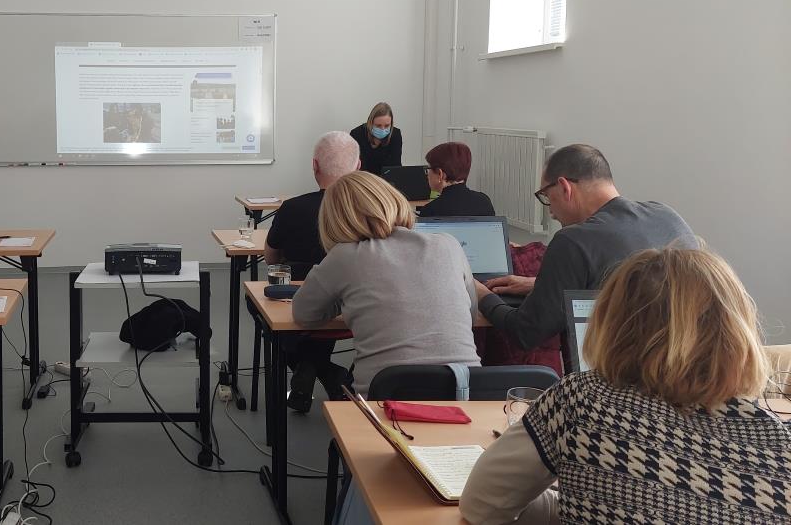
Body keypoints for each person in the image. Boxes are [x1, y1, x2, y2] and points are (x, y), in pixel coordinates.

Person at [460, 247, 791, 524]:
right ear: (738, 329)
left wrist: (581, 500)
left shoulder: (580, 400)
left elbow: (482, 505)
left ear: (611, 323)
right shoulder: (779, 445)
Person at [476, 144, 696, 352]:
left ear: (565, 187)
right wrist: (541, 286)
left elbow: (526, 333)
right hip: (690, 364)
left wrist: (483, 295)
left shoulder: (572, 240)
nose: (551, 212)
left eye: (547, 197)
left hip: (617, 372)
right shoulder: (668, 216)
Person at [292, 171, 481, 395]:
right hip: (464, 393)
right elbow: (471, 313)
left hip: (386, 399)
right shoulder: (449, 244)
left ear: (336, 221)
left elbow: (304, 314)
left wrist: (347, 303)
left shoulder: (344, 256)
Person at [265, 131, 361, 412]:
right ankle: (328, 372)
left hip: (295, 306)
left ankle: (310, 366)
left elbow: (272, 258)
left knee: (259, 305)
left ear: (315, 166)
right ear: (358, 167)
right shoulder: (368, 213)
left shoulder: (292, 208)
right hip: (356, 310)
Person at [418, 142, 494, 217]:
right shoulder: (485, 203)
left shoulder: (429, 211)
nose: (427, 174)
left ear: (440, 174)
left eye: (428, 169)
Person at [350, 102, 402, 174]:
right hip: (363, 178)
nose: (383, 129)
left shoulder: (395, 135)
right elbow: (354, 166)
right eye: (378, 125)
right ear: (370, 123)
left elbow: (395, 166)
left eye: (387, 125)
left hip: (386, 179)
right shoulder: (356, 134)